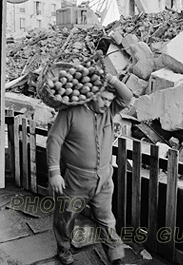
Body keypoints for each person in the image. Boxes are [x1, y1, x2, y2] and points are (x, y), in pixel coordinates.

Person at [46, 73, 133, 265]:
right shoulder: (70, 112)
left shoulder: (109, 111)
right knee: (66, 217)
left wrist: (109, 79)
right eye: (103, 99)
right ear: (93, 94)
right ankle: (64, 249)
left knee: (107, 220)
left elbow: (127, 97)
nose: (106, 104)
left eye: (110, 100)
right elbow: (54, 140)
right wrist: (54, 172)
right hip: (75, 179)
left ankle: (115, 257)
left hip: (103, 179)